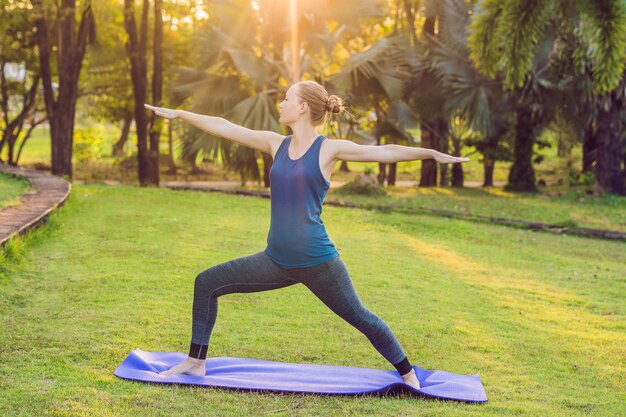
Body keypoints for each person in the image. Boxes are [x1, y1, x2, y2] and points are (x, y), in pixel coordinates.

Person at [144, 80, 469, 390]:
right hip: (276, 260)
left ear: (301, 107)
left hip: (319, 261)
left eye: (286, 98)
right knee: (206, 283)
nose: (281, 103)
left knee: (360, 316)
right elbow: (226, 127)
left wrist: (431, 153)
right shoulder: (276, 144)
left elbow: (386, 152)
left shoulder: (329, 150)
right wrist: (181, 114)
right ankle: (195, 361)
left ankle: (408, 372)